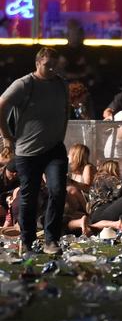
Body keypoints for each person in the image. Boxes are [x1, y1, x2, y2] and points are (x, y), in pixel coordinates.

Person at [0, 47, 69, 254]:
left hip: (54, 149)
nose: (52, 69)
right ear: (38, 63)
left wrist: (59, 136)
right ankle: (27, 240)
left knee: (57, 191)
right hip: (27, 152)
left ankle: (51, 240)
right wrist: (6, 137)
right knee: (29, 197)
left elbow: (65, 111)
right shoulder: (24, 84)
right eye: (48, 65)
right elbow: (1, 104)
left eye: (55, 66)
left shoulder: (60, 84)